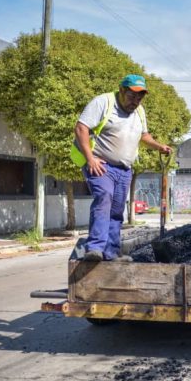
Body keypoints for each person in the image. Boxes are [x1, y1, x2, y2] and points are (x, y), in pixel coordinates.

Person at [73, 74, 172, 262]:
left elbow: (144, 136)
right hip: (101, 165)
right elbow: (81, 128)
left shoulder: (139, 112)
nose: (135, 101)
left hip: (124, 170)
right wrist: (90, 158)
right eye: (132, 96)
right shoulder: (103, 102)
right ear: (121, 90)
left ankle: (111, 253)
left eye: (139, 97)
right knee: (104, 198)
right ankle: (95, 248)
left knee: (117, 210)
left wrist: (159, 146)